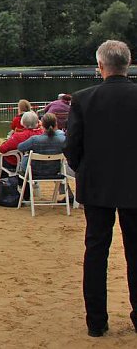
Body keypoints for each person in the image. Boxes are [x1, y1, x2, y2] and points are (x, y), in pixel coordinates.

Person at [65, 40, 137, 337]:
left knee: (96, 251)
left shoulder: (83, 99)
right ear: (128, 65)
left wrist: (85, 169)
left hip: (96, 186)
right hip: (134, 184)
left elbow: (72, 147)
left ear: (100, 67)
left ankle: (96, 321)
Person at [17, 112, 66, 177]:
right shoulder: (63, 139)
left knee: (25, 158)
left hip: (34, 171)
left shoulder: (34, 140)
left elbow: (20, 147)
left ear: (42, 125)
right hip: (55, 170)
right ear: (56, 124)